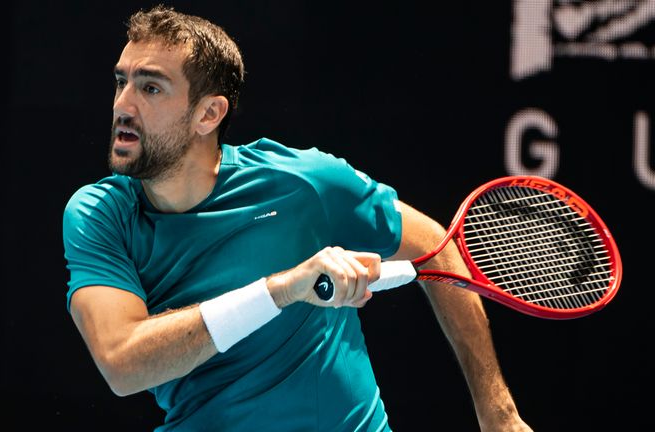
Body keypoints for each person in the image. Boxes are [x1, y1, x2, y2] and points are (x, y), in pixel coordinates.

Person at [62, 5, 533, 431]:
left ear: (208, 113)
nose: (122, 105)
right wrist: (283, 289)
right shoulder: (99, 215)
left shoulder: (305, 182)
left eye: (150, 87)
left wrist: (498, 411)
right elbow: (123, 364)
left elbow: (436, 248)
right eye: (121, 81)